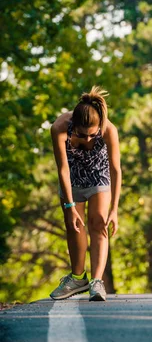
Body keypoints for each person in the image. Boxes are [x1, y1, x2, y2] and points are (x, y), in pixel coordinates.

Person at [50, 86, 121, 302]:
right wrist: (70, 206)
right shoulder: (59, 127)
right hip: (71, 179)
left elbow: (116, 169)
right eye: (82, 135)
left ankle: (96, 282)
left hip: (99, 177)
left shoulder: (109, 129)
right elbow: (62, 167)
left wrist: (115, 209)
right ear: (74, 125)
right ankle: (78, 277)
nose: (89, 140)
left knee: (98, 222)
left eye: (93, 135)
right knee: (74, 226)